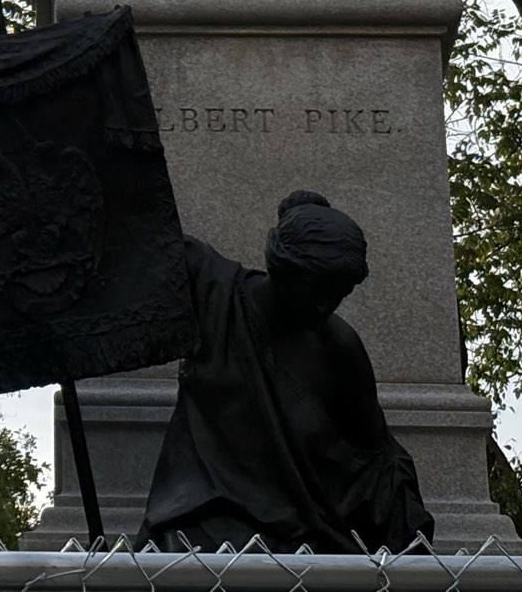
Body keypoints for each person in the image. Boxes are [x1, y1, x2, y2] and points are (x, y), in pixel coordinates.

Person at [141, 191, 434, 552]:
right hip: (205, 513)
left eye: (338, 295)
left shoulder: (338, 348)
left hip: (298, 533)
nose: (324, 306)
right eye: (315, 290)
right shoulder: (214, 292)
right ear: (281, 269)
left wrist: (410, 538)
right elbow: (136, 239)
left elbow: (376, 462)